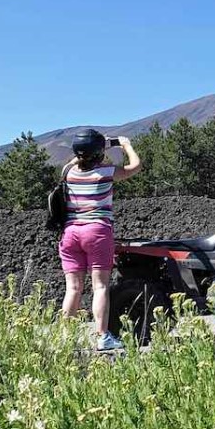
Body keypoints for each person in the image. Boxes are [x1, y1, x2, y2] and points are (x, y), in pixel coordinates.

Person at [58, 129, 141, 351]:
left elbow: (78, 159)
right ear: (99, 153)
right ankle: (102, 336)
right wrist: (125, 146)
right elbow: (135, 166)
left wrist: (88, 149)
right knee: (100, 286)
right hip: (96, 232)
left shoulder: (68, 171)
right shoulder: (105, 172)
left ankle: (65, 339)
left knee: (73, 289)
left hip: (70, 234)